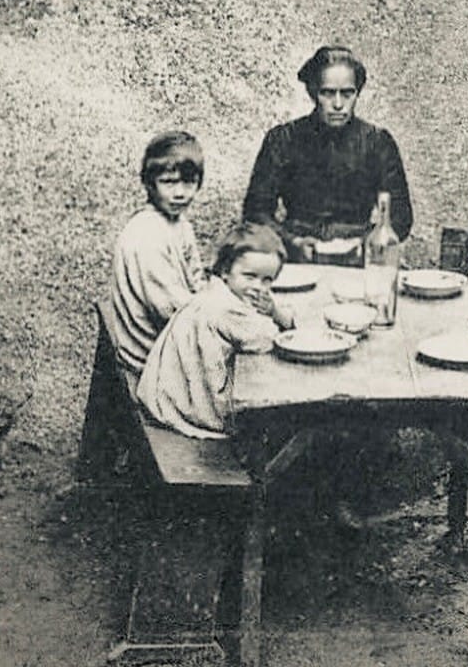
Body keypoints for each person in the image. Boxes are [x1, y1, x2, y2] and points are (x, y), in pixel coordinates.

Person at [242, 48, 412, 261]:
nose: (338, 104)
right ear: (313, 92)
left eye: (347, 93)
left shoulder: (378, 142)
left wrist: (364, 243)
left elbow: (400, 218)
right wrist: (293, 242)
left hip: (359, 258)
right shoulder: (283, 139)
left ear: (357, 93)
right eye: (328, 93)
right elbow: (255, 213)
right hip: (297, 257)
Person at [137, 222, 293, 439]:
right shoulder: (227, 308)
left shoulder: (215, 290)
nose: (258, 286)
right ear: (226, 271)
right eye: (250, 276)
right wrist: (276, 313)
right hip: (193, 405)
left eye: (267, 280)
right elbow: (269, 341)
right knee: (281, 406)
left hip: (168, 391)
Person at [110, 130, 208, 375]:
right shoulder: (147, 236)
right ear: (149, 183)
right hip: (151, 358)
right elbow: (170, 311)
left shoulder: (180, 224)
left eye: (189, 182)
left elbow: (196, 280)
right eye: (168, 182)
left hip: (172, 338)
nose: (180, 193)